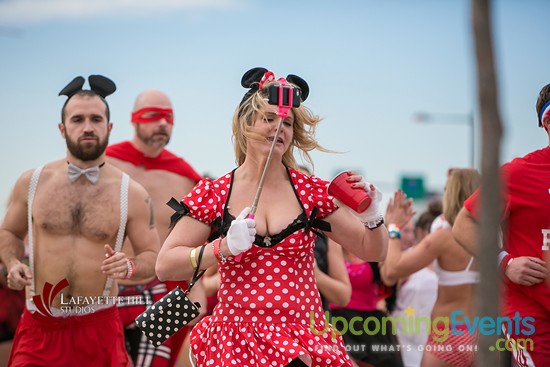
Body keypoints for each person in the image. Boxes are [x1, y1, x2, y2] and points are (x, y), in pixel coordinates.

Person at [155, 67, 402, 367]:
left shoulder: (311, 193)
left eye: (287, 122)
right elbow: (165, 265)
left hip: (303, 339)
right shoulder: (216, 193)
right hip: (237, 342)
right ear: (247, 123)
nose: (279, 128)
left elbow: (373, 250)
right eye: (269, 119)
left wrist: (373, 218)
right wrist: (222, 248)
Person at [0, 75, 160, 367]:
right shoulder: (31, 182)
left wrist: (129, 266)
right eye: (77, 119)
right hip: (39, 328)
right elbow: (9, 231)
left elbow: (153, 258)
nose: (87, 127)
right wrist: (11, 263)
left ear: (109, 127)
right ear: (62, 129)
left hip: (99, 329)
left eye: (96, 119)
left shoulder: (132, 193)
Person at [453, 84, 550, 366]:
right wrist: (504, 263)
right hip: (531, 311)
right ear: (547, 123)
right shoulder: (518, 173)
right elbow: (464, 223)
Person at [106, 89, 205, 367]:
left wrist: (196, 290)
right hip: (105, 288)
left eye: (168, 118)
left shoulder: (185, 177)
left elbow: (197, 240)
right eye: (152, 115)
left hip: (163, 291)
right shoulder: (105, 164)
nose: (162, 123)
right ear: (134, 120)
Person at [382, 169, 481, 367]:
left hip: (448, 335)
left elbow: (391, 271)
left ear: (452, 195)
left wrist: (394, 227)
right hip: (484, 334)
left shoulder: (445, 237)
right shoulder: (494, 235)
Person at [387, 201, 440, 367]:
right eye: (432, 232)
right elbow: (388, 277)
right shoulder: (408, 258)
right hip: (404, 342)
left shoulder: (451, 262)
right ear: (421, 232)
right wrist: (393, 227)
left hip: (435, 344)